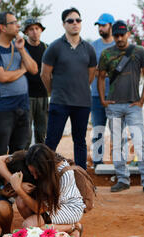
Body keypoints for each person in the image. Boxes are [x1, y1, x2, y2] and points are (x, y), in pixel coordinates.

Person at [98, 20, 144, 195]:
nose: (119, 38)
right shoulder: (106, 54)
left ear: (128, 34)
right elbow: (100, 77)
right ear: (112, 35)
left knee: (140, 143)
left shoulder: (139, 52)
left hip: (133, 106)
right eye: (116, 35)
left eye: (122, 34)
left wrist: (141, 101)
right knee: (117, 144)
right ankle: (122, 179)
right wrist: (103, 100)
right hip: (114, 106)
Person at [0, 144, 85, 237]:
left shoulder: (64, 174)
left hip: (68, 208)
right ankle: (46, 227)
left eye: (37, 173)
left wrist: (18, 188)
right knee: (20, 201)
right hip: (51, 206)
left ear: (45, 168)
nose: (35, 177)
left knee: (29, 227)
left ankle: (72, 227)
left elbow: (41, 209)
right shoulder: (33, 157)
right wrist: (13, 180)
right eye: (32, 173)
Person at [41, 7, 97, 170]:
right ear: (63, 24)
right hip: (60, 102)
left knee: (80, 141)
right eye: (70, 21)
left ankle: (81, 175)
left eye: (78, 20)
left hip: (82, 103)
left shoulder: (89, 48)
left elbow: (91, 75)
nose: (75, 24)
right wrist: (55, 92)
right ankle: (46, 174)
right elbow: (44, 75)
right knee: (51, 140)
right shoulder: (55, 47)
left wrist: (79, 88)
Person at [0, 11, 38, 158]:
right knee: (0, 152)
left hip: (22, 107)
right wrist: (21, 70)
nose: (18, 25)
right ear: (3, 27)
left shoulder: (18, 46)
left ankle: (15, 181)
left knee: (20, 152)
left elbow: (33, 69)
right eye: (13, 23)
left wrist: (21, 50)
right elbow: (3, 77)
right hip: (1, 109)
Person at [90, 13, 116, 168]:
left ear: (111, 26)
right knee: (98, 130)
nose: (100, 28)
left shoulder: (119, 45)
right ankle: (98, 162)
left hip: (116, 95)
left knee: (117, 131)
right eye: (99, 25)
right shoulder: (93, 46)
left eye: (103, 25)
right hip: (96, 95)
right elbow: (91, 70)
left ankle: (118, 162)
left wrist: (102, 70)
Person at [23, 17, 49, 149]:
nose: (34, 32)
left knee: (42, 134)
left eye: (37, 29)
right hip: (26, 96)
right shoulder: (22, 48)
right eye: (31, 29)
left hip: (43, 95)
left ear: (41, 30)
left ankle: (40, 162)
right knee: (25, 134)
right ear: (26, 32)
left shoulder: (46, 48)